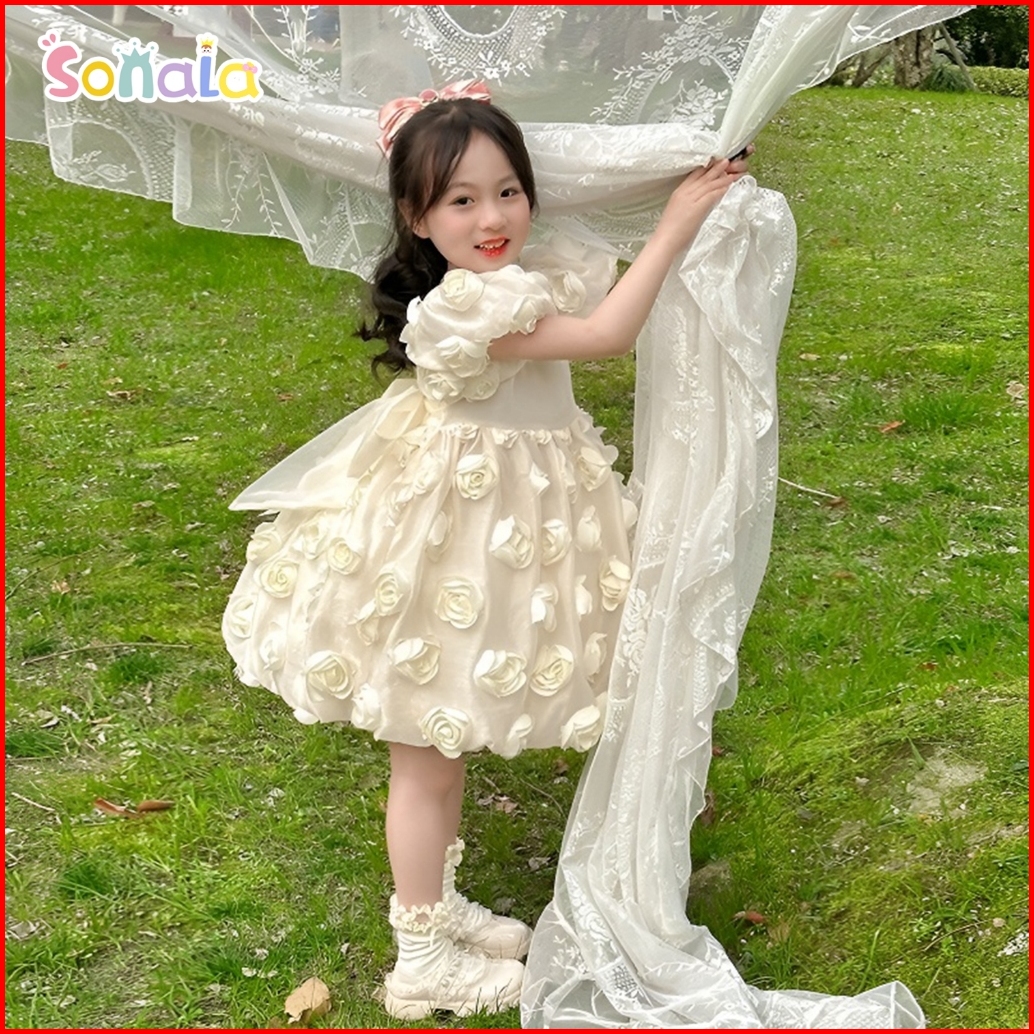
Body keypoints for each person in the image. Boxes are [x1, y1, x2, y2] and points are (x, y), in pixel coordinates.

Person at [221, 81, 750, 1021]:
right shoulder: (465, 306)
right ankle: (421, 957)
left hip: (504, 511)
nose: (493, 217)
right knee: (426, 749)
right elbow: (606, 334)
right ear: (417, 217)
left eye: (508, 191)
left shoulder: (515, 276)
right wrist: (676, 223)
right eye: (461, 200)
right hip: (449, 534)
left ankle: (436, 902)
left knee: (443, 741)